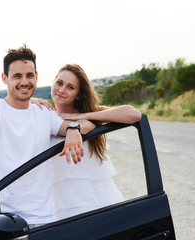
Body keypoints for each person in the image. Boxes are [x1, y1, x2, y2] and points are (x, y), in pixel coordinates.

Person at [0, 45, 91, 227]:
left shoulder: (44, 112)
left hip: (46, 221)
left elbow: (87, 125)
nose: (24, 81)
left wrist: (72, 128)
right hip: (4, 224)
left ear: (36, 77)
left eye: (29, 75)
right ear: (4, 78)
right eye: (17, 76)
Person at [32, 63, 141, 220]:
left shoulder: (88, 114)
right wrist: (31, 100)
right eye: (59, 83)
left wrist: (84, 116)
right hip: (63, 206)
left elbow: (134, 114)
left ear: (79, 94)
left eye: (70, 87)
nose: (62, 90)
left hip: (99, 202)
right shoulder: (45, 115)